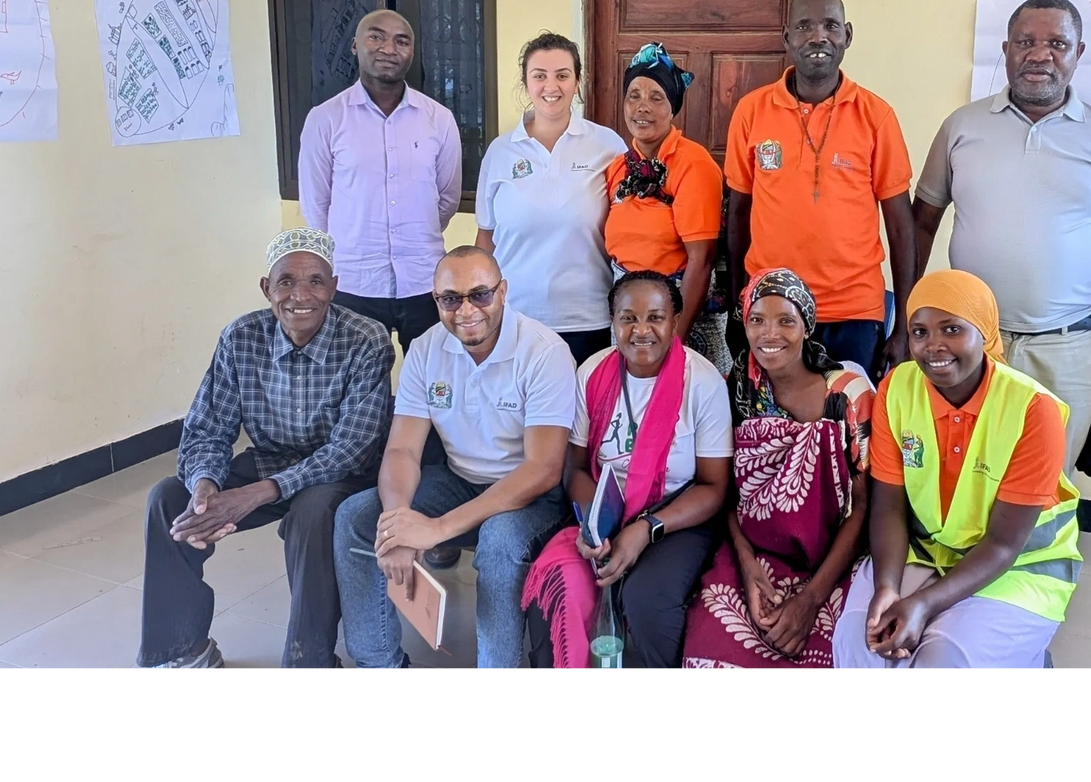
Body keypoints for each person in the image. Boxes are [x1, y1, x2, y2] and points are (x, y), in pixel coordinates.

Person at [913, 0, 1091, 472]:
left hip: (1066, 350)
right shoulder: (962, 127)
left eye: (1057, 44)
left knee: (1048, 487)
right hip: (971, 343)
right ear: (1006, 49)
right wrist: (910, 324)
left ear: (1078, 53)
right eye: (1025, 42)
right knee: (964, 477)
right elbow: (921, 224)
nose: (1040, 54)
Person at [137, 228, 394, 671]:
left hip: (343, 473)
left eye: (316, 281)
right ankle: (182, 649)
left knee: (312, 514)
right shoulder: (241, 337)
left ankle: (309, 659)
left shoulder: (366, 339)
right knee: (169, 499)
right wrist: (205, 485)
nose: (301, 295)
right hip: (272, 459)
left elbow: (352, 448)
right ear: (266, 288)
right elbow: (207, 427)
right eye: (286, 282)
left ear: (334, 286)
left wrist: (258, 493)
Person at [333, 246, 576, 671]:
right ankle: (380, 664)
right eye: (450, 298)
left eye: (480, 294)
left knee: (499, 542)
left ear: (503, 292)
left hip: (530, 496)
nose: (466, 311)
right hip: (459, 480)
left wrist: (438, 528)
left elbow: (543, 469)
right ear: (436, 300)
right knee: (357, 518)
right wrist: (398, 522)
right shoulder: (427, 349)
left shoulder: (544, 352)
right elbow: (402, 448)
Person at [833, 270, 1082, 672]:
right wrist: (887, 587)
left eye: (952, 329)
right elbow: (889, 508)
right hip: (926, 548)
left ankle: (1031, 661)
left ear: (984, 331)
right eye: (919, 331)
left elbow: (1003, 544)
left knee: (944, 658)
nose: (934, 345)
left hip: (1020, 564)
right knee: (858, 642)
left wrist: (923, 603)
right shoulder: (897, 388)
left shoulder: (1033, 411)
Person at [522, 271, 734, 671]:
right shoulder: (592, 373)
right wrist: (595, 527)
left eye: (655, 317)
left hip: (677, 517)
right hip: (605, 511)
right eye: (628, 318)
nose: (641, 331)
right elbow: (576, 468)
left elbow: (713, 487)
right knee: (559, 585)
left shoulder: (702, 383)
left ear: (675, 320)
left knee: (647, 600)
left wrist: (645, 528)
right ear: (613, 322)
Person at [681, 268, 874, 671]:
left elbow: (863, 508)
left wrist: (810, 600)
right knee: (710, 646)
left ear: (807, 326)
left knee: (834, 652)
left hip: (834, 561)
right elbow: (727, 490)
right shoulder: (740, 387)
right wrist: (747, 565)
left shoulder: (848, 394)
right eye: (757, 320)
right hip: (755, 551)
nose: (770, 334)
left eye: (786, 320)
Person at [725, 0, 915, 380]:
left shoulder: (876, 116)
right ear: (786, 37)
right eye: (804, 27)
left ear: (847, 35)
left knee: (847, 416)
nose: (818, 37)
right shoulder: (751, 111)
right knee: (770, 417)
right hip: (772, 306)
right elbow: (739, 213)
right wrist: (737, 305)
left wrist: (904, 325)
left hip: (854, 311)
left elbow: (900, 226)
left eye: (830, 26)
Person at [299, 9, 463, 357]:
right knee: (355, 380)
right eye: (376, 37)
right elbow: (316, 205)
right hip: (354, 283)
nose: (389, 48)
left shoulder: (439, 119)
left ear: (412, 52)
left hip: (424, 281)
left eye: (402, 41)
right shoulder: (326, 119)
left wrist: (417, 234)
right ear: (355, 45)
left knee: (435, 377)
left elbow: (447, 198)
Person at [476, 32, 627, 364]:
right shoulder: (500, 152)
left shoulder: (608, 146)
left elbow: (631, 226)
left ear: (577, 81)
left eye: (562, 75)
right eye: (539, 76)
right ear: (525, 83)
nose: (551, 86)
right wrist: (480, 306)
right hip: (514, 319)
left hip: (589, 320)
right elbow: (486, 238)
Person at [604, 42, 732, 374]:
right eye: (633, 95)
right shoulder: (618, 168)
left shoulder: (692, 164)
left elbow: (701, 261)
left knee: (682, 398)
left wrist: (673, 340)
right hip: (628, 311)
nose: (642, 107)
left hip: (679, 314)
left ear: (672, 108)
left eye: (656, 97)